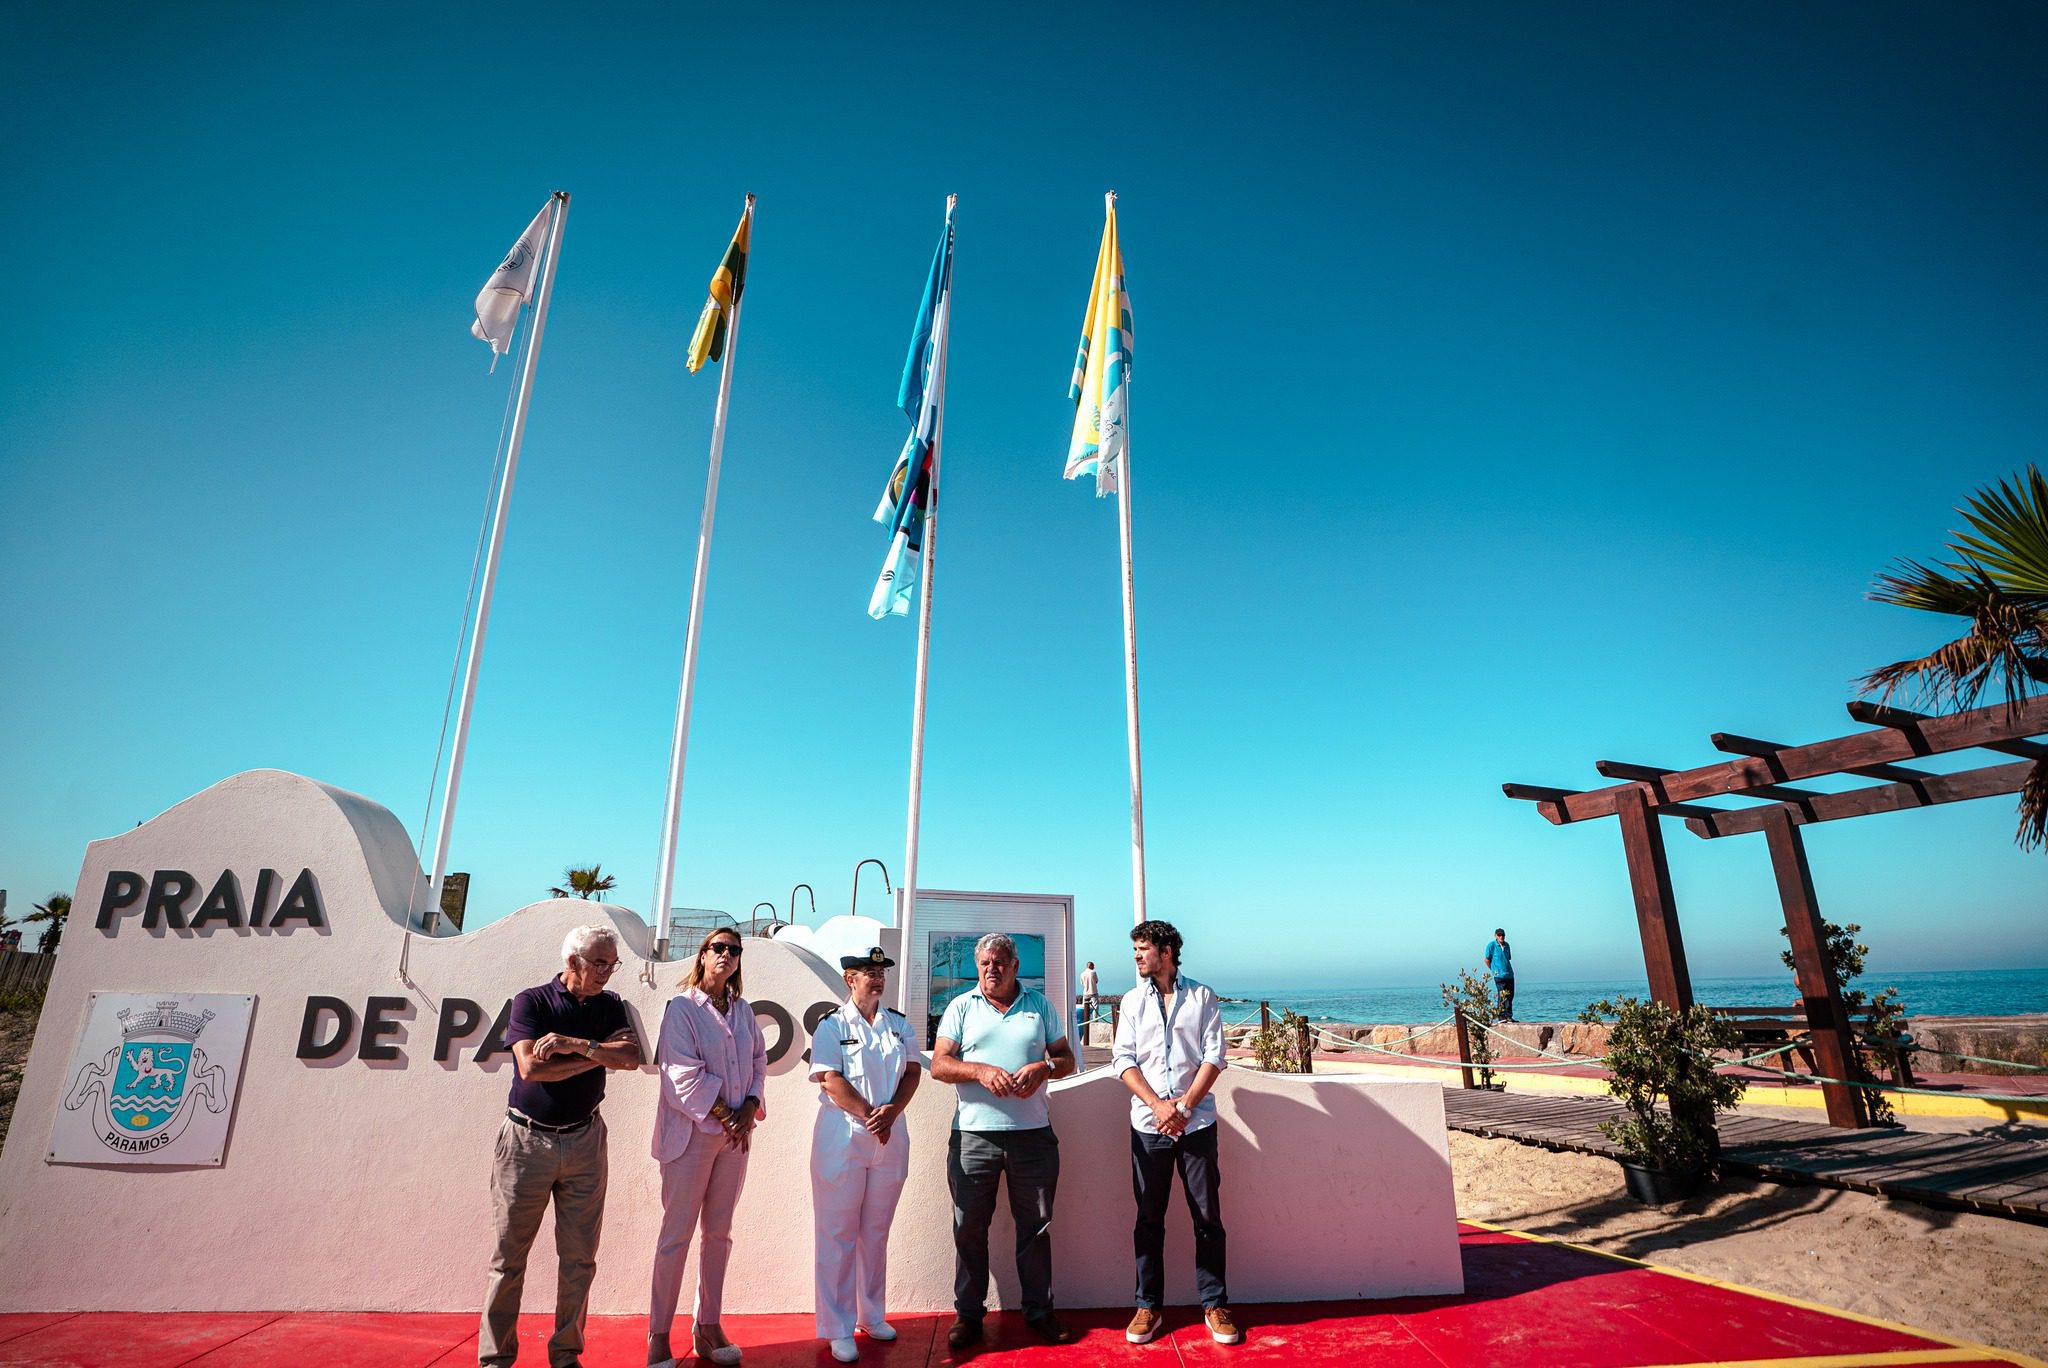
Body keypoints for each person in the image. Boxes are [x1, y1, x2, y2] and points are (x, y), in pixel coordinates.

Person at [480, 925, 642, 1368]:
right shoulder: (531, 1001)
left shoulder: (609, 1006)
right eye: (600, 963)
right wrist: (597, 1057)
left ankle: (566, 1354)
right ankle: (496, 1359)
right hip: (526, 1143)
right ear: (572, 962)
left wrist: (576, 1046)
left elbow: (631, 1058)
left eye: (613, 964)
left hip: (585, 1141)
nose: (608, 973)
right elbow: (531, 1067)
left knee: (579, 1260)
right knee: (508, 1257)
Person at [929, 932, 1077, 1349]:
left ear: (1014, 966)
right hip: (974, 1137)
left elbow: (1066, 1058)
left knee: (1037, 1228)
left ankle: (1040, 1312)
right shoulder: (961, 1006)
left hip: (1033, 1138)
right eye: (984, 963)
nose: (991, 969)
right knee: (969, 1227)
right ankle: (969, 1315)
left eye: (999, 962)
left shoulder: (1039, 1006)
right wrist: (979, 1071)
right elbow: (939, 1066)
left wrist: (1043, 1068)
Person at [1111, 919, 1239, 1346]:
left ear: (1165, 951)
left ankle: (1214, 1303)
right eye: (1136, 950)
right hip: (1148, 1127)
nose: (1137, 957)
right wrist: (1159, 1107)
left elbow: (1215, 1057)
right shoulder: (1130, 1002)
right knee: (1148, 1218)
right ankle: (1148, 1306)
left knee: (1208, 1217)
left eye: (1143, 949)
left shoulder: (1202, 996)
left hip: (1197, 1124)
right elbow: (1123, 1060)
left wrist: (1182, 1108)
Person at [648, 929, 768, 1368]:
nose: (728, 955)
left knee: (719, 1233)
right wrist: (726, 1112)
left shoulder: (743, 1011)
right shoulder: (681, 1008)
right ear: (702, 955)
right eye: (719, 947)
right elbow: (679, 1072)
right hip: (692, 1135)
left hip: (735, 1138)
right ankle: (659, 1333)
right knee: (675, 1235)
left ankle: (708, 1325)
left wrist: (749, 1106)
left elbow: (758, 1060)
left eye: (735, 950)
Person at [809, 947, 922, 1363]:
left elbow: (912, 1071)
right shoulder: (832, 1025)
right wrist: (871, 1115)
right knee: (837, 1233)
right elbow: (829, 1079)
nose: (876, 978)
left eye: (880, 972)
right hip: (844, 1139)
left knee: (875, 1232)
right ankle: (837, 1327)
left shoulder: (898, 1025)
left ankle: (870, 1314)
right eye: (866, 972)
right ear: (848, 980)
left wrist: (892, 1111)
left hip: (889, 1138)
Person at [1486, 928, 1515, 1022]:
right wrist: (1493, 970)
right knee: (1502, 995)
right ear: (1495, 936)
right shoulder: (1491, 946)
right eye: (1499, 935)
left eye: (1502, 935)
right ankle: (1501, 1016)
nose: (1501, 937)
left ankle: (1509, 1016)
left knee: (1510, 996)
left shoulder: (1507, 946)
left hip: (1509, 974)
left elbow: (1508, 959)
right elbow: (1487, 959)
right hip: (1499, 976)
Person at [1079, 960, 1100, 1035]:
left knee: (1084, 1006)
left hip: (1086, 992)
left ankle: (1085, 1019)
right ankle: (1095, 1019)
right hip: (1093, 991)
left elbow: (1081, 983)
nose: (1094, 967)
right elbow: (1096, 981)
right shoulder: (1093, 972)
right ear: (1090, 966)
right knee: (1095, 1005)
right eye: (1093, 966)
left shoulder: (1082, 974)